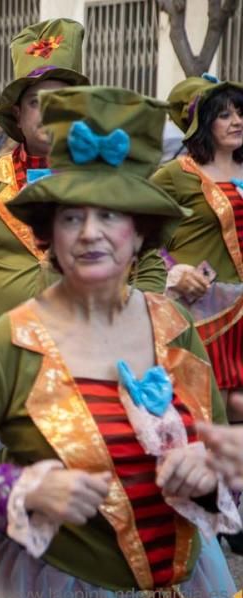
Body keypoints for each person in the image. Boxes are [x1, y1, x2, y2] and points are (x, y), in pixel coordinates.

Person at [0, 86, 243, 598]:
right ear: (49, 234)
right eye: (72, 216)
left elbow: (221, 443)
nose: (91, 232)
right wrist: (24, 490)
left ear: (140, 233)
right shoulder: (12, 342)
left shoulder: (173, 324)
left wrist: (216, 465)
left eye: (111, 214)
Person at [0, 19, 169, 390]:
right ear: (18, 116)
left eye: (63, 102)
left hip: (91, 359)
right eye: (37, 103)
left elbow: (149, 266)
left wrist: (138, 327)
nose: (50, 112)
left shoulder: (113, 181)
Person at [153, 75, 243, 423]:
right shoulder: (175, 174)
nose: (236, 121)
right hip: (203, 311)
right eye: (224, 115)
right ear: (202, 124)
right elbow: (136, 233)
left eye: (239, 112)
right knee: (211, 410)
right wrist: (173, 272)